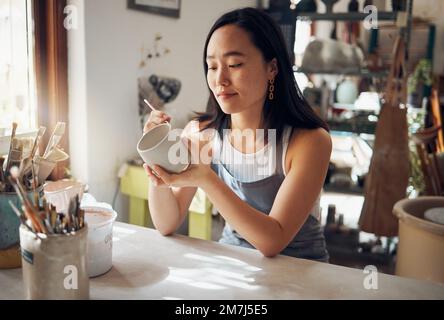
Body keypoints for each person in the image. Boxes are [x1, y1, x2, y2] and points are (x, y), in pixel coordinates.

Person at [143, 7, 332, 262]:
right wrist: (157, 157)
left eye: (234, 64)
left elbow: (273, 241)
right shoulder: (202, 135)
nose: (220, 79)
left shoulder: (309, 142)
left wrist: (207, 180)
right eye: (211, 66)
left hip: (301, 273)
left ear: (272, 68)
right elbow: (167, 223)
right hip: (234, 266)